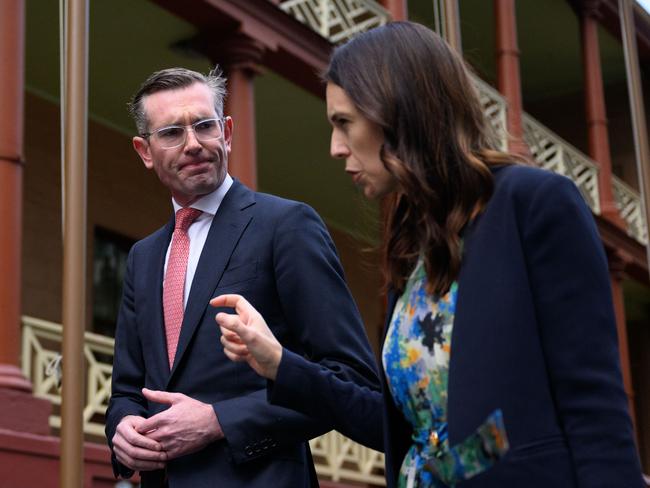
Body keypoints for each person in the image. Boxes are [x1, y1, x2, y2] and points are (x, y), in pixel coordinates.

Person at [212, 21, 646, 488]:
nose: (335, 148)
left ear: (397, 110)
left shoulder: (535, 204)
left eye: (344, 123)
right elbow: (398, 429)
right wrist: (279, 363)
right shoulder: (414, 251)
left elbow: (594, 406)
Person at [104, 66, 382, 488]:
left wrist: (220, 420)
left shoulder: (285, 226)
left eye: (204, 125)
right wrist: (121, 430)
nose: (193, 143)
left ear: (227, 132)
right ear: (145, 151)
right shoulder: (143, 258)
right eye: (172, 133)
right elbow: (126, 390)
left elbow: (349, 380)